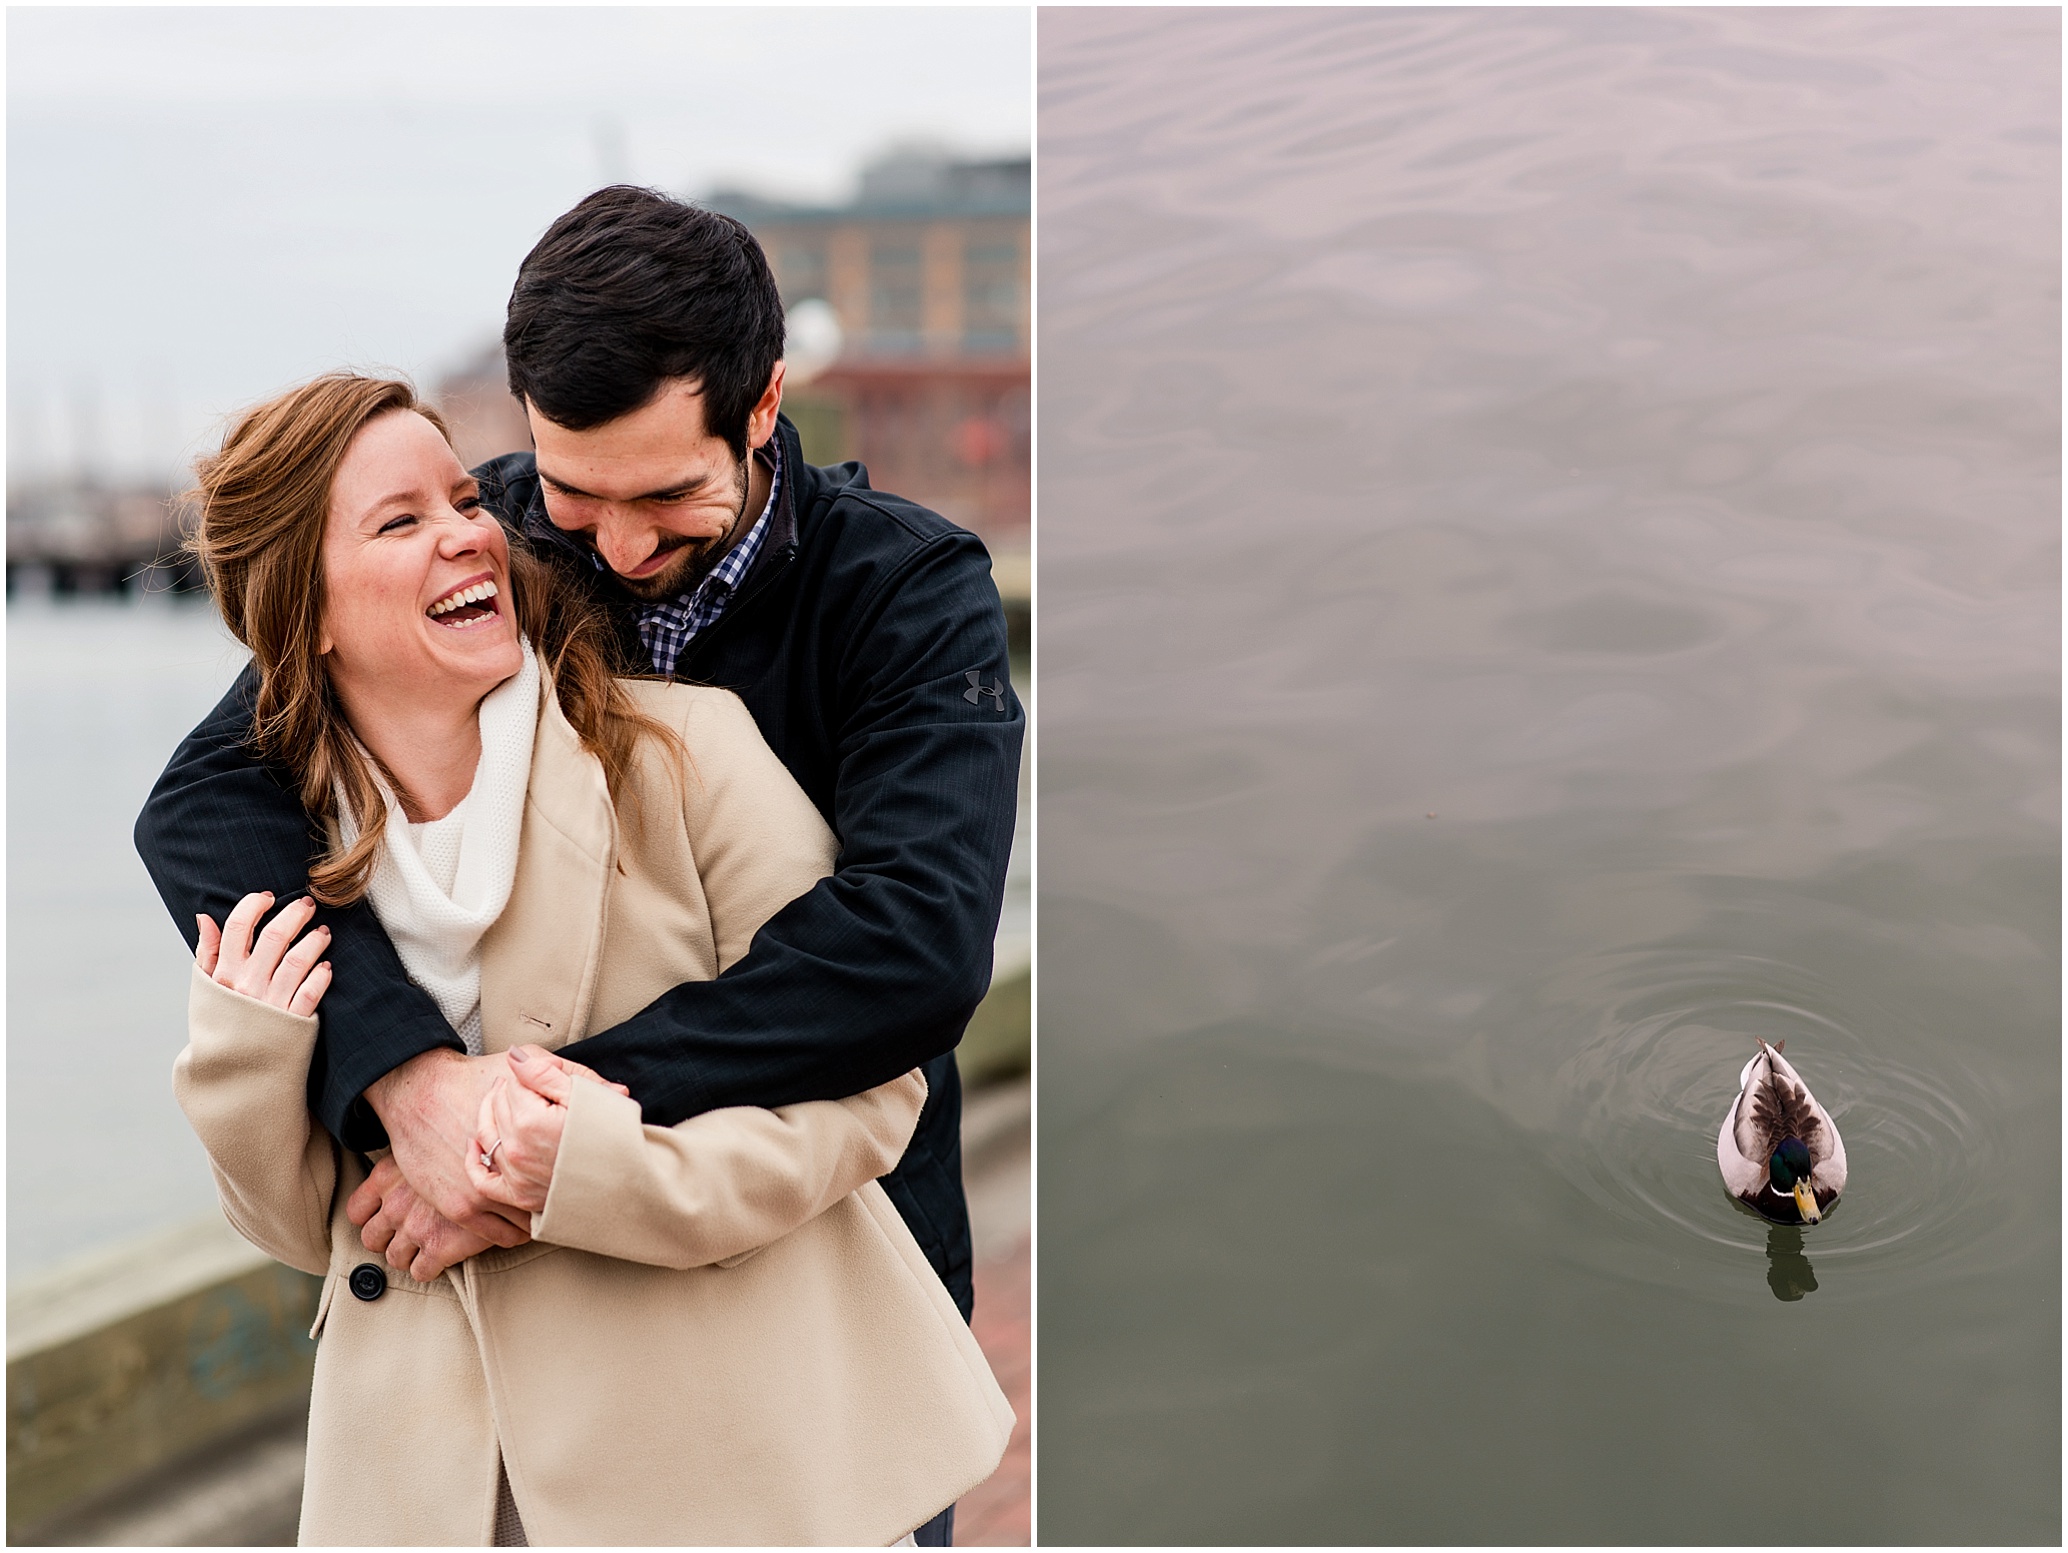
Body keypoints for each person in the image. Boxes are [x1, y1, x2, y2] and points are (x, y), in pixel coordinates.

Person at [135, 187, 1023, 1541]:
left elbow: (912, 947)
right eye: (569, 490)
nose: (606, 547)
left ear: (765, 402)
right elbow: (210, 795)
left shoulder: (904, 593)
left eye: (667, 494)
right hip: (498, 1397)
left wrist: (529, 1123)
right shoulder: (489, 538)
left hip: (811, 1311)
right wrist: (407, 1077)